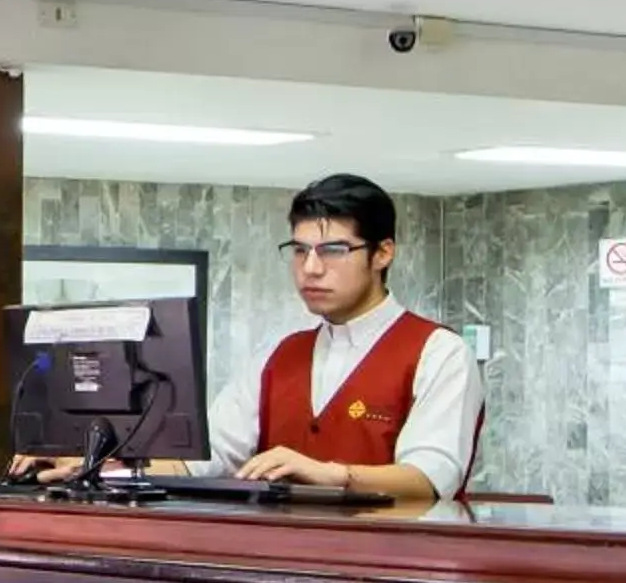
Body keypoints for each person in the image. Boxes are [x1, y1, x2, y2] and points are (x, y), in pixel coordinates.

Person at [201, 173, 486, 503]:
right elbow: (210, 454)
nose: (310, 268)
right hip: (279, 550)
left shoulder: (439, 352)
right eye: (299, 250)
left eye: (333, 250)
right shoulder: (278, 356)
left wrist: (333, 475)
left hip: (389, 552)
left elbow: (430, 478)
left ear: (382, 253)